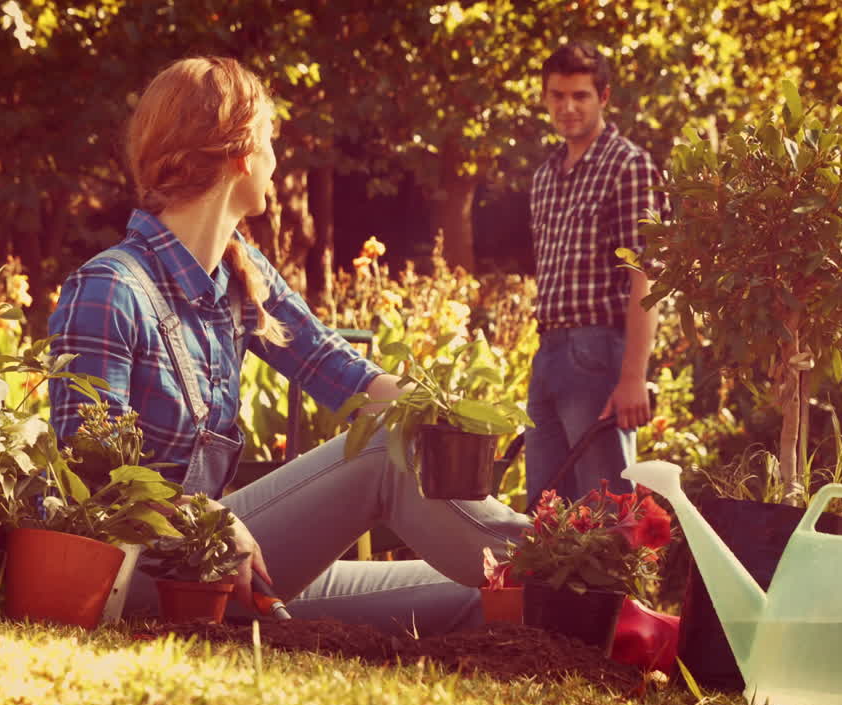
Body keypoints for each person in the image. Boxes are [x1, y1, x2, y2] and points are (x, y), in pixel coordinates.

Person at [48, 56, 530, 635]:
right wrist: (204, 517)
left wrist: (437, 413)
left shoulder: (239, 274)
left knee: (471, 595)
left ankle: (575, 594)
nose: (277, 162)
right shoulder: (111, 289)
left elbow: (340, 372)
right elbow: (91, 481)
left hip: (226, 561)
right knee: (384, 451)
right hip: (140, 575)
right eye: (271, 141)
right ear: (241, 153)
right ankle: (568, 566)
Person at [524, 42, 671, 504]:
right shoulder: (544, 178)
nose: (567, 107)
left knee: (605, 506)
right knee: (546, 508)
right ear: (545, 98)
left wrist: (633, 376)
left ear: (603, 97)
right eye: (557, 95)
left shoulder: (629, 166)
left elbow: (646, 275)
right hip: (548, 351)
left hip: (598, 353)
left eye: (580, 96)